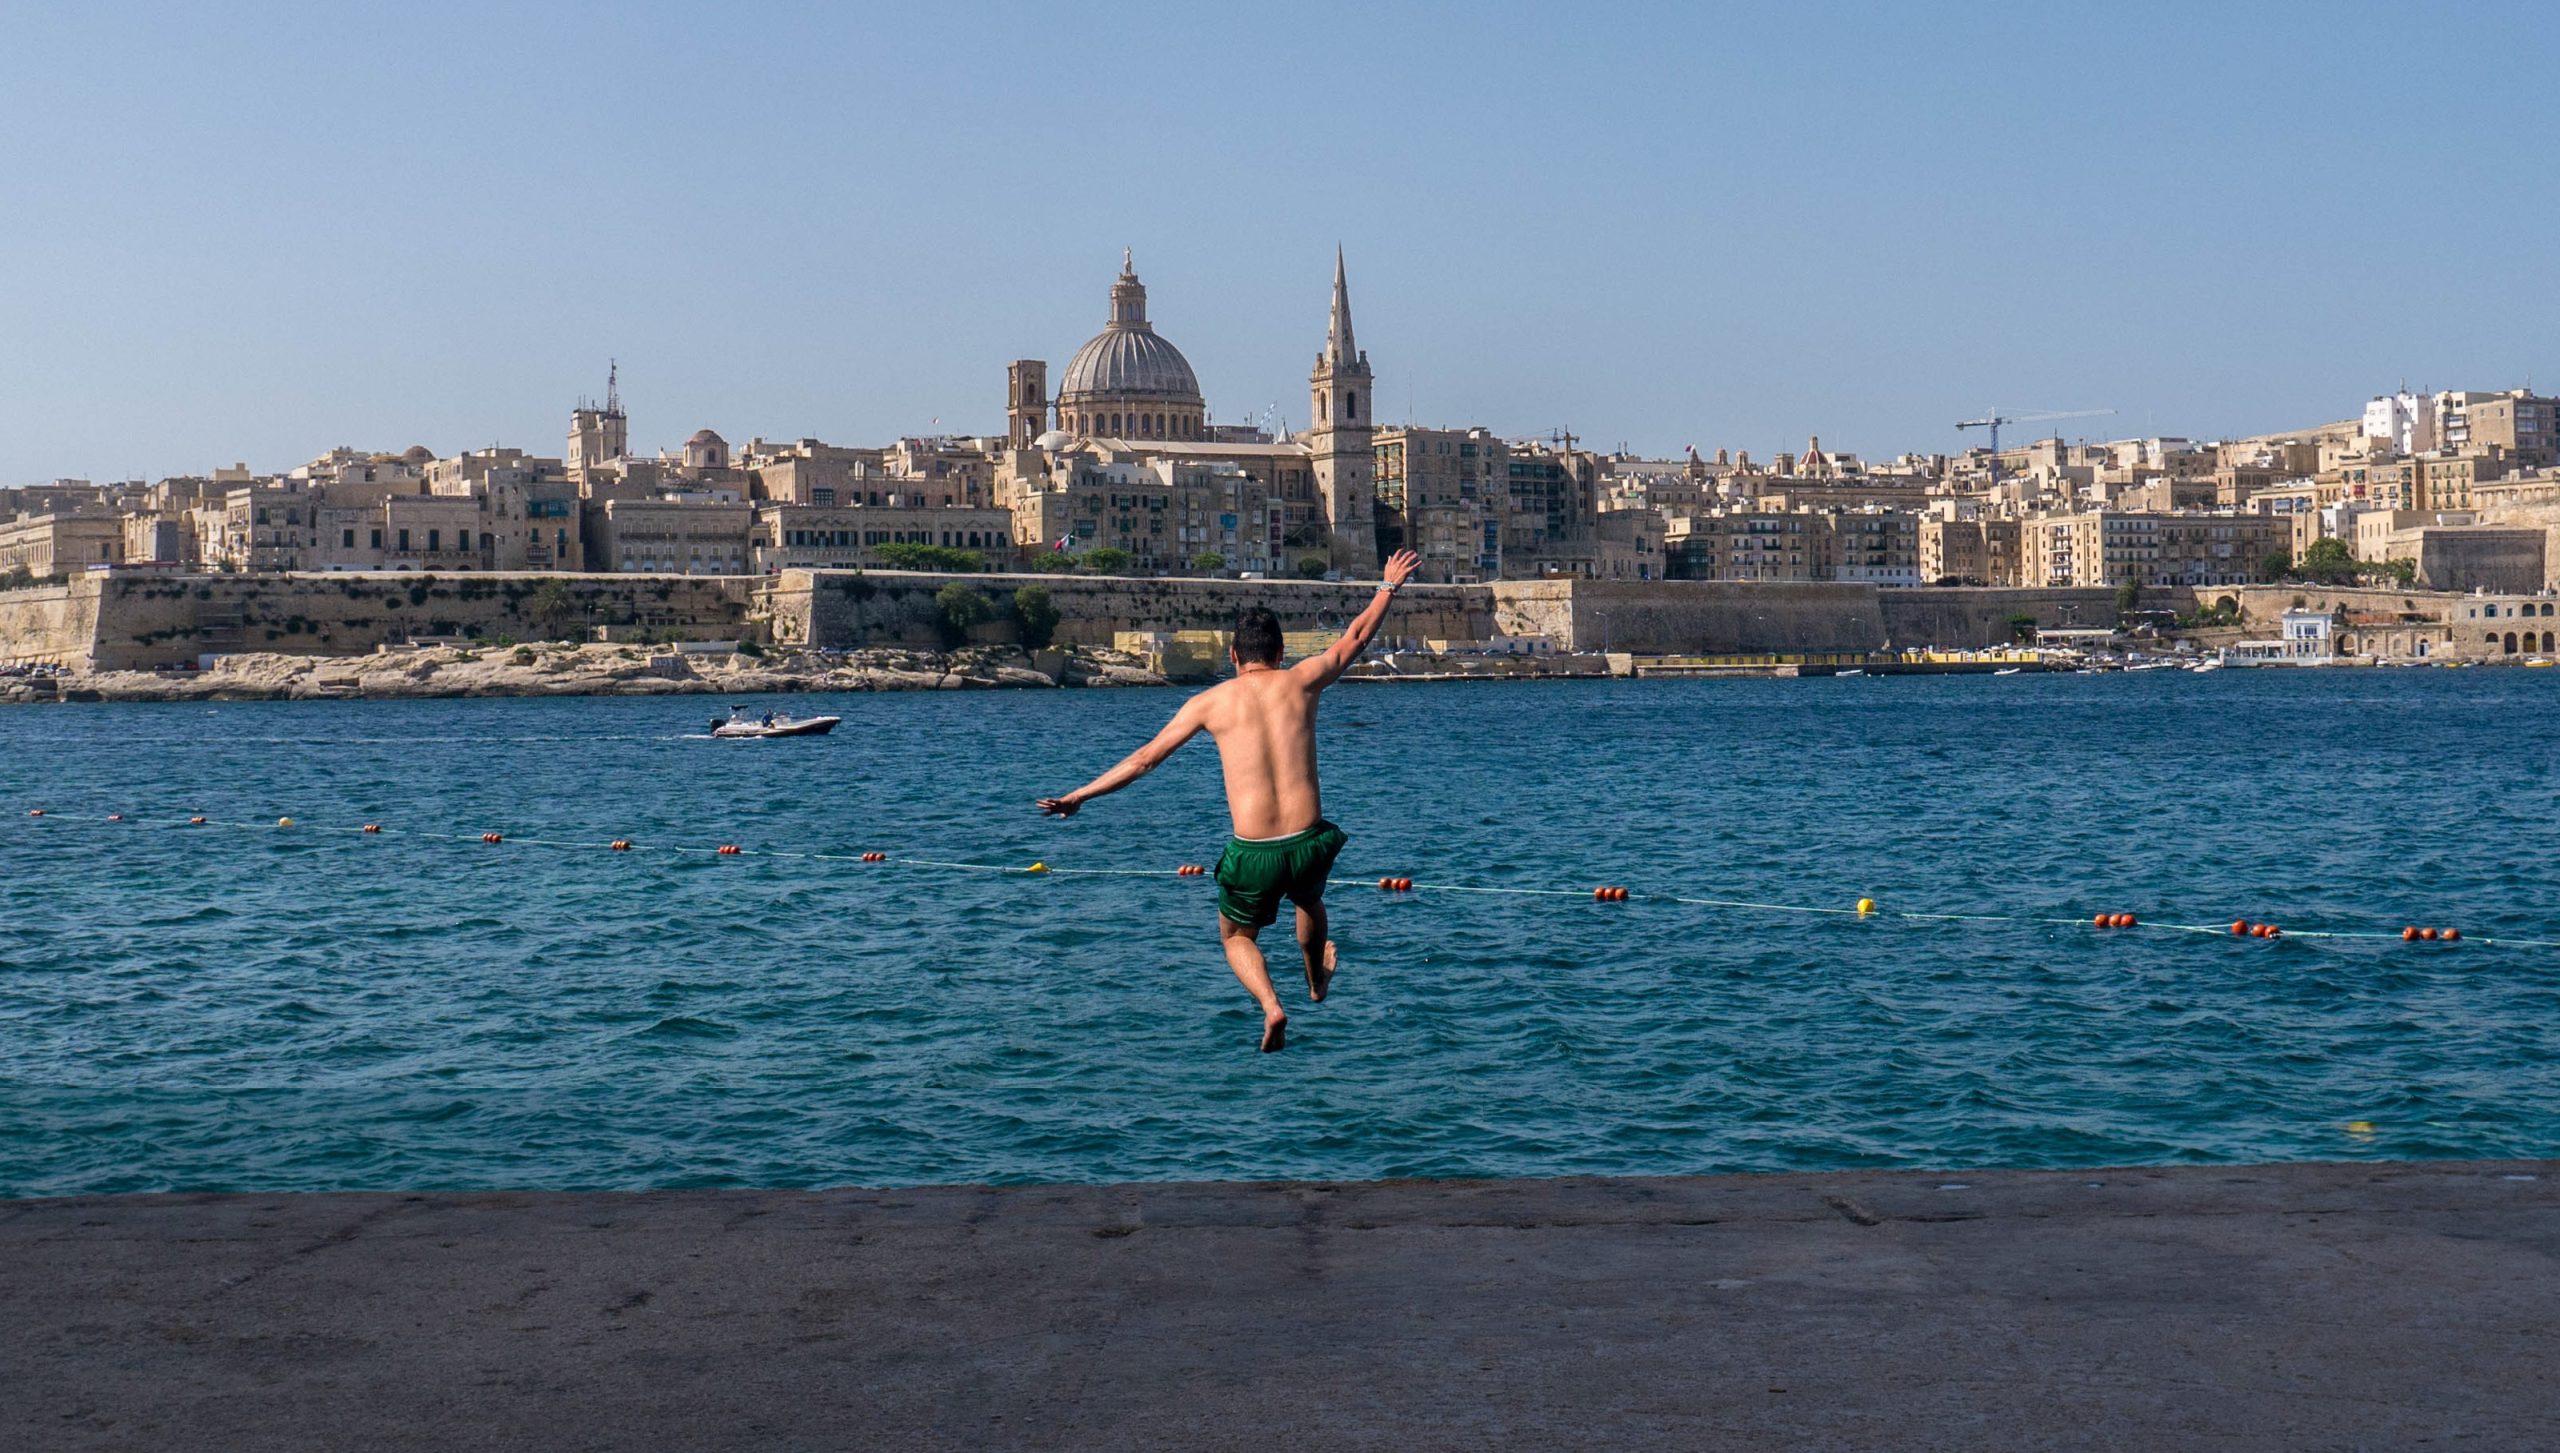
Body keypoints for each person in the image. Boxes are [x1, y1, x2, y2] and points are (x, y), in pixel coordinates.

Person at [1039, 549, 1422, 1052]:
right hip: (1309, 840)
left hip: (1254, 851)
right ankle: (1315, 982)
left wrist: (1080, 795)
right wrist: (1387, 586)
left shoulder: (1207, 703)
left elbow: (1144, 760)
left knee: (1237, 938)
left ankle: (1271, 1005)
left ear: (1234, 658)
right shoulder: (1302, 681)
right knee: (1307, 897)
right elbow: (1356, 637)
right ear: (1282, 654)